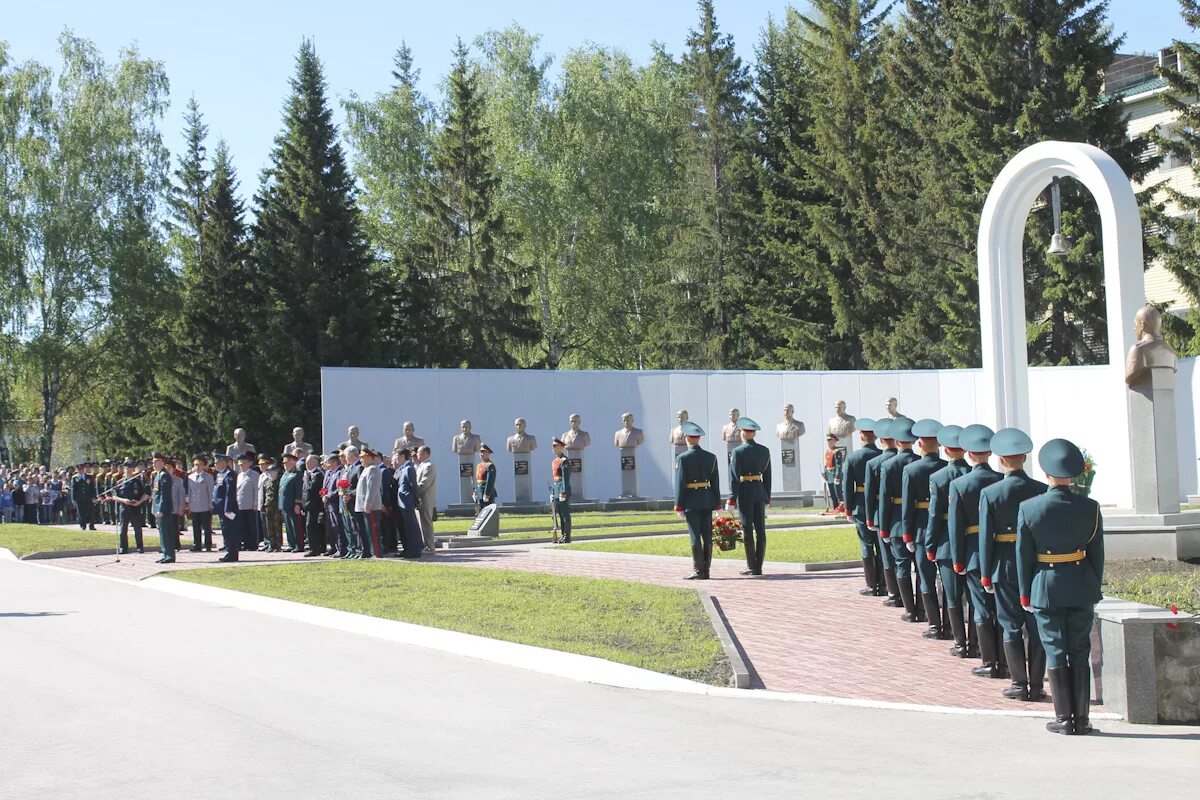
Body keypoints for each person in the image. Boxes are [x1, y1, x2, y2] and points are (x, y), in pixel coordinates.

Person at [1017, 438, 1104, 736]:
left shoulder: (1029, 508)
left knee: (1055, 649)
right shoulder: (1090, 507)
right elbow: (1097, 554)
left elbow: (1024, 556)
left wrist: (1025, 591)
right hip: (1080, 583)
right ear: (1075, 473)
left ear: (1046, 473)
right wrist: (1094, 586)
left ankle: (1064, 719)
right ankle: (1082, 719)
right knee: (1080, 649)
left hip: (1046, 586)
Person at [980, 428, 1048, 702]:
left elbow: (986, 539)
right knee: (1036, 626)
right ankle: (1037, 684)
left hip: (1005, 565)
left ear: (1001, 460)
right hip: (1035, 565)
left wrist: (986, 574)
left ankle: (1019, 684)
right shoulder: (1040, 489)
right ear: (1024, 458)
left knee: (1010, 625)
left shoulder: (991, 492)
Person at [949, 425, 1007, 679]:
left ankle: (989, 662)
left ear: (970, 455)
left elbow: (956, 527)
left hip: (973, 552)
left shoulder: (960, 484)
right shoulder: (1001, 481)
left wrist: (958, 558)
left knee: (981, 608)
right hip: (1001, 550)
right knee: (1001, 608)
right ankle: (1004, 662)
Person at [924, 425, 975, 658]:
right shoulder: (974, 475)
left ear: (945, 450)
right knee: (975, 599)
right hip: (973, 541)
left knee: (952, 596)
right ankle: (974, 643)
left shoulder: (938, 477)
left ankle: (960, 643)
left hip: (946, 542)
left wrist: (930, 544)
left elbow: (934, 516)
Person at [901, 419, 947, 636]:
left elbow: (908, 508)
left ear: (920, 444)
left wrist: (907, 534)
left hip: (921, 528)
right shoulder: (947, 468)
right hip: (946, 529)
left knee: (925, 577)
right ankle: (949, 624)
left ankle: (935, 624)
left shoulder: (911, 470)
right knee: (948, 581)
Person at [879, 417, 921, 622]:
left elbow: (885, 500)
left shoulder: (889, 465)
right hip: (920, 521)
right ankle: (922, 608)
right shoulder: (920, 463)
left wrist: (884, 528)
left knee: (902, 564)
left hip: (896, 521)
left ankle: (910, 609)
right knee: (922, 568)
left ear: (896, 441)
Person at [674, 421, 720, 580]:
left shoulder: (682, 458)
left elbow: (680, 483)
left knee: (695, 537)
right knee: (707, 537)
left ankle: (698, 569)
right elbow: (715, 483)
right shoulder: (711, 457)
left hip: (692, 502)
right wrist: (718, 503)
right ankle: (706, 569)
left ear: (687, 438)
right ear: (698, 438)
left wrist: (678, 505)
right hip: (707, 500)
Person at [726, 417, 772, 577]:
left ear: (743, 433)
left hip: (745, 491)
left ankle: (751, 566)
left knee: (747, 529)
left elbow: (734, 477)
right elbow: (768, 476)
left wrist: (731, 499)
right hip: (760, 491)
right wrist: (768, 496)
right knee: (761, 529)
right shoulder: (764, 450)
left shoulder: (738, 452)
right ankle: (758, 566)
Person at [843, 418, 883, 596]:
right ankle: (884, 584)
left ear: (861, 436)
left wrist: (848, 509)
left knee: (866, 545)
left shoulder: (853, 458)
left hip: (860, 505)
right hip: (880, 504)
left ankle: (871, 584)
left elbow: (847, 486)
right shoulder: (882, 456)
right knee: (881, 545)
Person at [864, 420, 901, 607]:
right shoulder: (911, 460)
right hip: (907, 512)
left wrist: (870, 517)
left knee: (888, 556)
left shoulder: (874, 463)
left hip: (884, 512)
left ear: (880, 440)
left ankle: (893, 592)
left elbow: (870, 495)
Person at [230, 453, 259, 561]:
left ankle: (252, 544)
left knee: (251, 525)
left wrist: (256, 502)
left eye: (243, 464)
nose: (241, 466)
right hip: (240, 504)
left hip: (250, 504)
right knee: (242, 526)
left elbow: (256, 490)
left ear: (249, 464)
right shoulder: (239, 475)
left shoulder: (254, 475)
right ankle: (244, 543)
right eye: (240, 464)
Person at [114, 460, 147, 554]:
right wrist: (123, 500)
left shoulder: (138, 481)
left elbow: (144, 495)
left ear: (133, 469)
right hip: (124, 508)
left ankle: (140, 547)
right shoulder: (120, 482)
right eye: (126, 468)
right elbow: (114, 496)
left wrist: (139, 502)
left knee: (137, 529)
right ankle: (123, 548)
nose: (128, 470)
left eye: (130, 468)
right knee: (123, 529)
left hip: (135, 507)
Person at [356, 448, 383, 558]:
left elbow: (372, 489)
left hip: (370, 507)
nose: (361, 460)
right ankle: (369, 552)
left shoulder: (373, 469)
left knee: (373, 532)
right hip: (363, 506)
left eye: (363, 457)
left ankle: (376, 553)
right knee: (367, 532)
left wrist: (368, 504)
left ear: (369, 457)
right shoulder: (366, 469)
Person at [394, 448, 421, 558]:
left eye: (397, 456)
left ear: (402, 456)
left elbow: (413, 486)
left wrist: (416, 500)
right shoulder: (403, 468)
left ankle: (414, 550)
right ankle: (408, 549)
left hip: (407, 501)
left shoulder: (409, 468)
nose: (395, 458)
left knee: (411, 527)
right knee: (406, 527)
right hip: (402, 502)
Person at [150, 453, 176, 564]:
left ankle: (169, 555)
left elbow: (164, 495)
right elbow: (155, 494)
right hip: (158, 509)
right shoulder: (158, 475)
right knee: (162, 533)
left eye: (156, 462)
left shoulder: (164, 475)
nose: (154, 464)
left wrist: (160, 509)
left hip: (164, 510)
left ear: (162, 463)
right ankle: (165, 554)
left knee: (166, 533)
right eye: (153, 462)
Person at [186, 455, 215, 552]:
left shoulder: (208, 477)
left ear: (204, 466)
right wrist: (189, 504)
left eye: (200, 465)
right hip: (194, 505)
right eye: (195, 465)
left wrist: (210, 504)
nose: (197, 467)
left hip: (204, 505)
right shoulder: (190, 477)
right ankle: (197, 544)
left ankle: (208, 545)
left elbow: (210, 492)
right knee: (196, 526)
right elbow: (189, 492)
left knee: (206, 527)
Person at [212, 453, 238, 559]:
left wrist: (227, 509)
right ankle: (229, 552)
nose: (215, 464)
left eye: (217, 462)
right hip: (221, 508)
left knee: (230, 531)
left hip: (228, 509)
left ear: (224, 463)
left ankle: (232, 554)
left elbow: (229, 493)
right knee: (225, 531)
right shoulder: (220, 474)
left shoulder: (229, 474)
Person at [301, 455, 325, 557]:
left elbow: (312, 488)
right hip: (308, 504)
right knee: (311, 526)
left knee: (311, 526)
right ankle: (317, 547)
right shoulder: (309, 474)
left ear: (315, 463)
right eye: (306, 462)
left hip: (314, 505)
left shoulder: (317, 473)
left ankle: (314, 548)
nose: (306, 464)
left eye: (309, 462)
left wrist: (306, 477)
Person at [278, 451, 303, 552]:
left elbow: (298, 490)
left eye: (287, 462)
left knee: (295, 525)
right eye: (284, 463)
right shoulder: (285, 475)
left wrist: (298, 504)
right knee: (288, 526)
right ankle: (291, 544)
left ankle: (298, 545)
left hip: (292, 504)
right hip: (284, 504)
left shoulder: (297, 474)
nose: (285, 465)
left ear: (293, 462)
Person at [414, 446, 437, 553]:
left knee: (427, 522)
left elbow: (424, 484)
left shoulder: (429, 466)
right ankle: (425, 545)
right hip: (420, 499)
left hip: (426, 498)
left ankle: (430, 546)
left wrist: (414, 493)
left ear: (425, 454)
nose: (417, 455)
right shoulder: (420, 465)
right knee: (421, 523)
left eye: (419, 453)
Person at [322, 453, 345, 557]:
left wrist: (329, 496)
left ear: (334, 462)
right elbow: (325, 487)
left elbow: (337, 489)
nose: (326, 464)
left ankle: (341, 548)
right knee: (331, 527)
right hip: (328, 504)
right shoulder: (328, 473)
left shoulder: (339, 472)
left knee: (337, 527)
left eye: (328, 462)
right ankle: (334, 547)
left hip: (334, 503)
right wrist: (323, 494)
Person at [550, 438, 572, 543]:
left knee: (565, 514)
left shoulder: (564, 461)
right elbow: (555, 477)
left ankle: (567, 537)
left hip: (563, 490)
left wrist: (563, 491)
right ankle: (562, 536)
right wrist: (553, 491)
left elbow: (565, 478)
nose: (553, 448)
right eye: (553, 446)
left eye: (555, 446)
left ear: (561, 447)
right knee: (559, 514)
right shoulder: (555, 461)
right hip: (556, 489)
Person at [258, 456, 282, 552]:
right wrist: (262, 505)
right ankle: (272, 545)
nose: (271, 473)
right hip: (267, 506)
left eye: (273, 471)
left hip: (276, 507)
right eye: (269, 472)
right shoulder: (266, 482)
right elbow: (264, 494)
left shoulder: (279, 482)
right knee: (269, 527)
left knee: (277, 526)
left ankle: (278, 545)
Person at [821, 434, 845, 511]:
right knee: (832, 493)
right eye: (828, 440)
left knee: (838, 492)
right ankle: (835, 508)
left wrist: (837, 477)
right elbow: (826, 464)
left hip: (835, 474)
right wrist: (824, 474)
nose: (829, 442)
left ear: (835, 441)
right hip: (829, 474)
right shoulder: (827, 451)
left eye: (830, 440)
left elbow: (839, 466)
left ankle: (842, 508)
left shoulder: (837, 452)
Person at [473, 444, 497, 513]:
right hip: (480, 491)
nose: (481, 454)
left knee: (488, 512)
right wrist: (475, 492)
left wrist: (487, 494)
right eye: (480, 452)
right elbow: (477, 480)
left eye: (483, 452)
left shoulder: (490, 465)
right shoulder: (479, 465)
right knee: (480, 512)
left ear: (488, 454)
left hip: (487, 492)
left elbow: (490, 481)